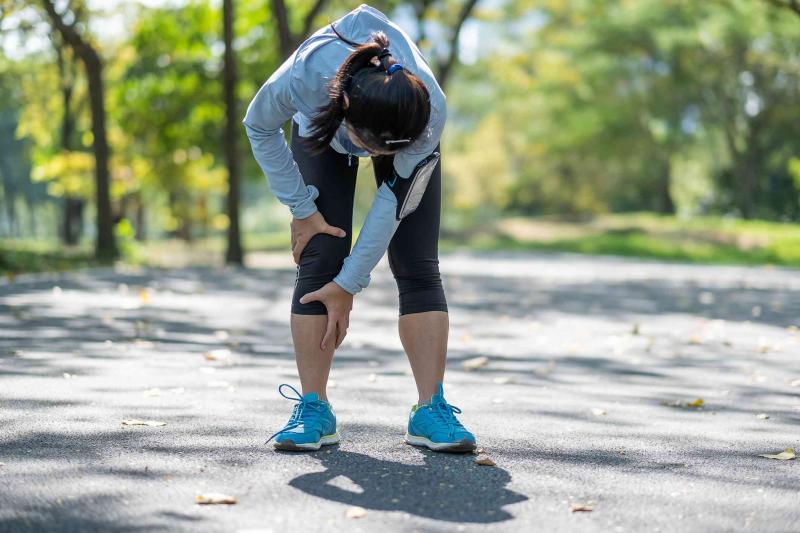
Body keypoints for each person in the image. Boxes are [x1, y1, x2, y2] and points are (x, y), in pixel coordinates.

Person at [242, 3, 475, 453]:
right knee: (320, 252)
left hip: (393, 119)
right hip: (323, 121)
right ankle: (314, 408)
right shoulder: (306, 79)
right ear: (346, 108)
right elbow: (258, 127)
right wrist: (302, 208)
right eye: (369, 147)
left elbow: (392, 203)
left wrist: (350, 284)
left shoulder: (427, 114)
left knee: (417, 261)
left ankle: (431, 409)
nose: (374, 156)